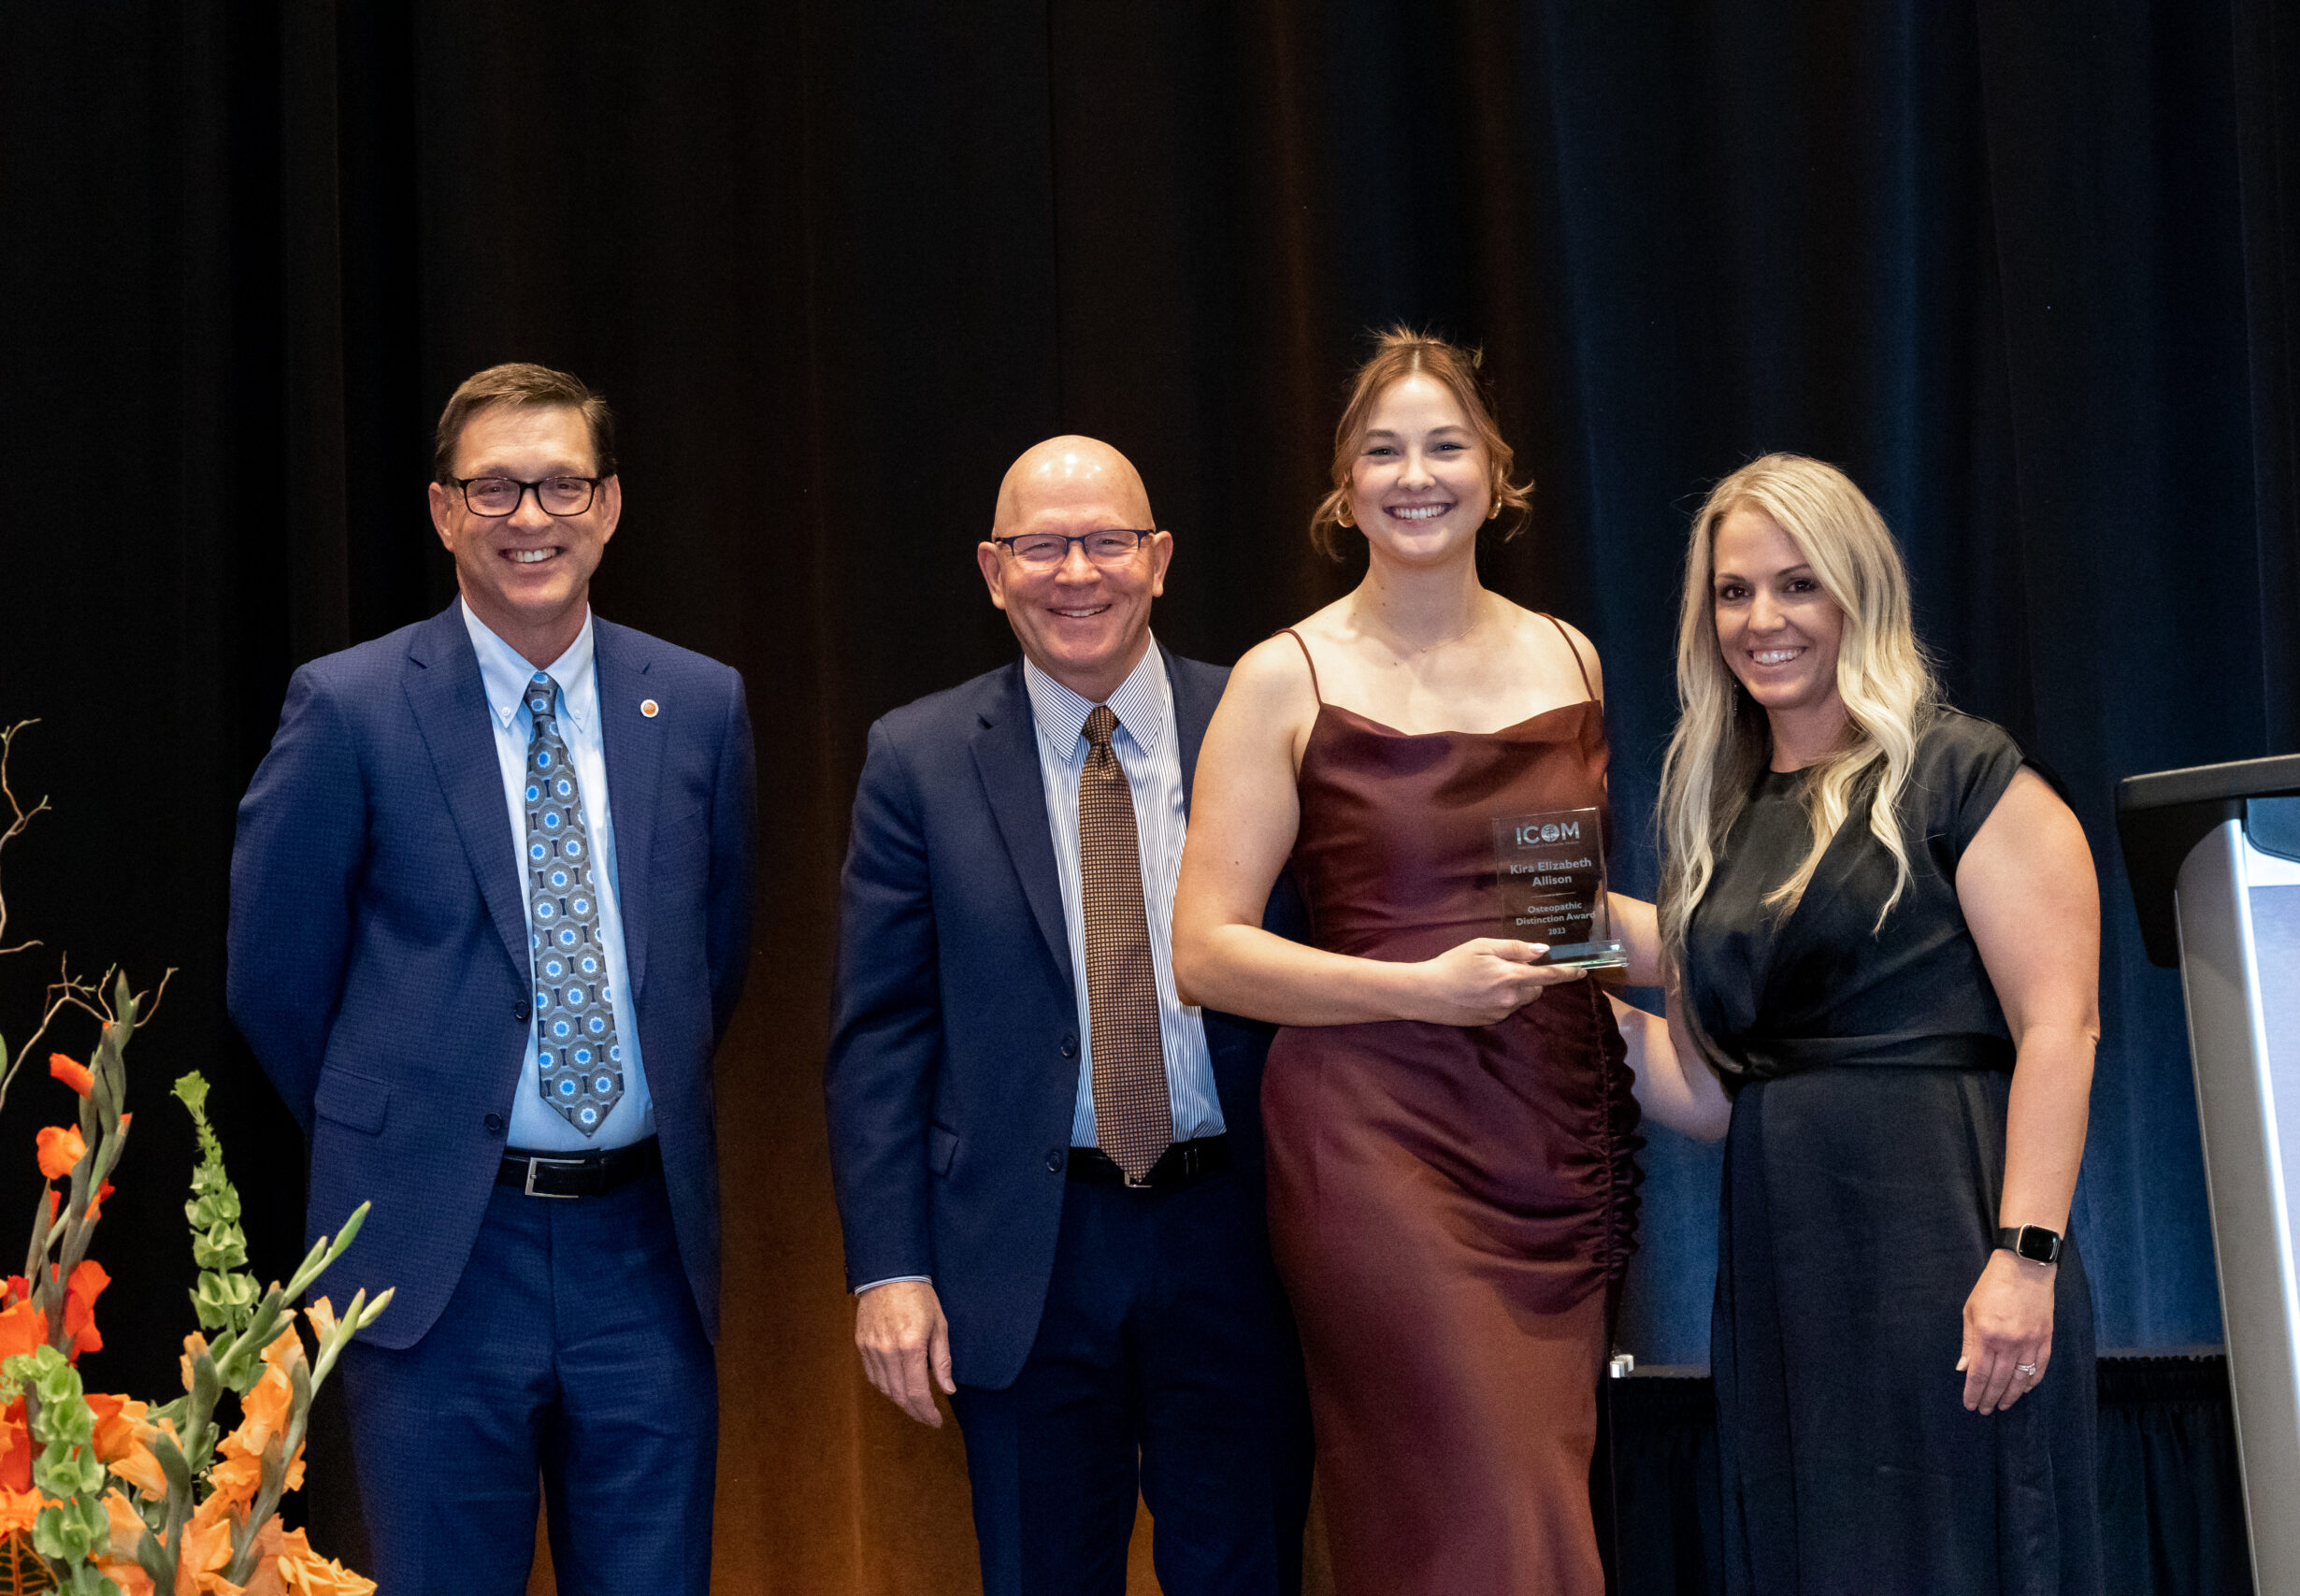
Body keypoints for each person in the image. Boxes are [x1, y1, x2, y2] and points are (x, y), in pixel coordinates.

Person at [228, 363, 755, 1596]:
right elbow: (273, 979)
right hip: (437, 1259)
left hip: (644, 1252)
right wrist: (409, 1119)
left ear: (609, 505)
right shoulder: (350, 706)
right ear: (441, 510)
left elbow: (712, 957)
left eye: (562, 484)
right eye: (494, 488)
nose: (531, 517)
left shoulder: (699, 703)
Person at [1175, 329, 1688, 1594]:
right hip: (1372, 1140)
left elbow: (1565, 915)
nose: (1416, 475)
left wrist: (1739, 945)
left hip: (1549, 1134)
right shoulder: (1283, 676)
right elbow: (1206, 952)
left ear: (1497, 476)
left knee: (1534, 1488)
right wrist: (1419, 990)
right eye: (1383, 451)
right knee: (1480, 1496)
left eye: (1445, 446)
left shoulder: (1568, 656)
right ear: (1344, 488)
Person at [825, 437, 1313, 1595]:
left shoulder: (1261, 723)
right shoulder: (918, 757)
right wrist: (887, 1269)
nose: (1077, 573)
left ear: (1160, 558)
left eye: (1106, 541)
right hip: (1023, 1255)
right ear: (993, 570)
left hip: (1238, 1234)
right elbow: (880, 1038)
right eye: (1042, 546)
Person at [1648, 453, 2103, 1591]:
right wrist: (1555, 990)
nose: (1762, 620)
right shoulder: (1721, 814)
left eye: (1797, 584)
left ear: (1860, 590)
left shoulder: (1961, 773)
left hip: (1940, 1236)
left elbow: (2062, 1025)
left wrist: (2024, 1261)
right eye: (1733, 591)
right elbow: (1707, 1095)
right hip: (1787, 1263)